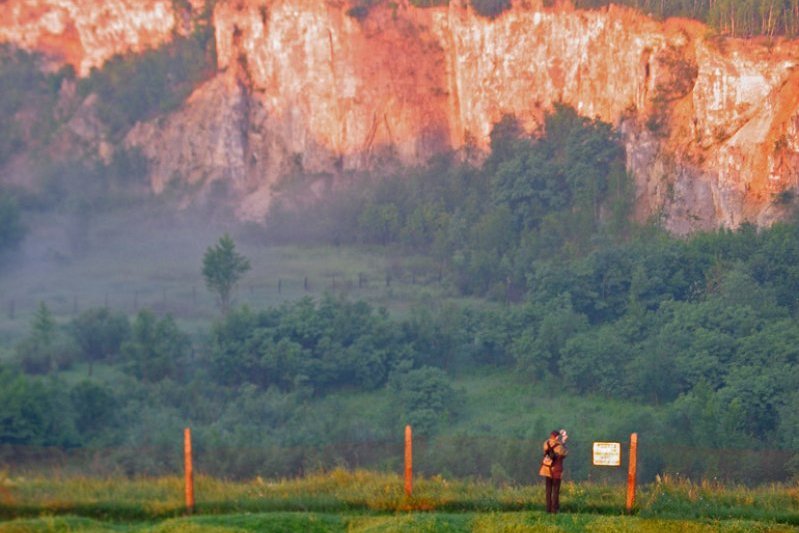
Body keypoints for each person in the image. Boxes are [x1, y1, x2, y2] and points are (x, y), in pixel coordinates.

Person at [539, 429, 568, 513]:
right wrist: (564, 442)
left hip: (547, 469)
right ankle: (554, 510)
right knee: (555, 490)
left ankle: (548, 509)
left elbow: (545, 452)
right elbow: (565, 453)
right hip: (556, 470)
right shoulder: (559, 445)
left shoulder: (545, 443)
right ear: (557, 437)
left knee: (548, 490)